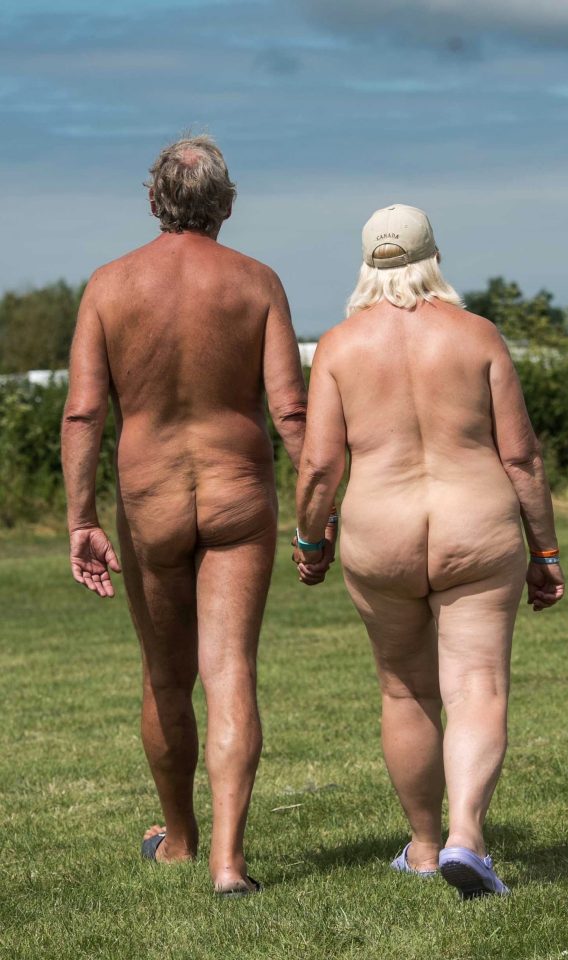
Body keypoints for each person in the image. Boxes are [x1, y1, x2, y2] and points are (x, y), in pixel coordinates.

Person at [294, 204, 564, 898]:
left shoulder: (337, 347)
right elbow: (523, 457)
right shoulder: (477, 337)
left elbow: (320, 466)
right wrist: (546, 551)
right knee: (475, 686)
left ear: (366, 263)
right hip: (474, 528)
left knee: (404, 688)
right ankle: (466, 839)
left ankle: (420, 845)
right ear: (432, 256)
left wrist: (309, 538)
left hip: (378, 534)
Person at [61, 135, 307, 895]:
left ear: (153, 198)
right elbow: (289, 410)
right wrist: (322, 509)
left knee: (167, 677)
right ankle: (228, 864)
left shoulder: (109, 285)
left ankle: (179, 838)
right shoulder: (256, 282)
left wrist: (81, 518)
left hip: (150, 501)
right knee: (230, 670)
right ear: (225, 203)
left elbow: (82, 413)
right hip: (238, 494)